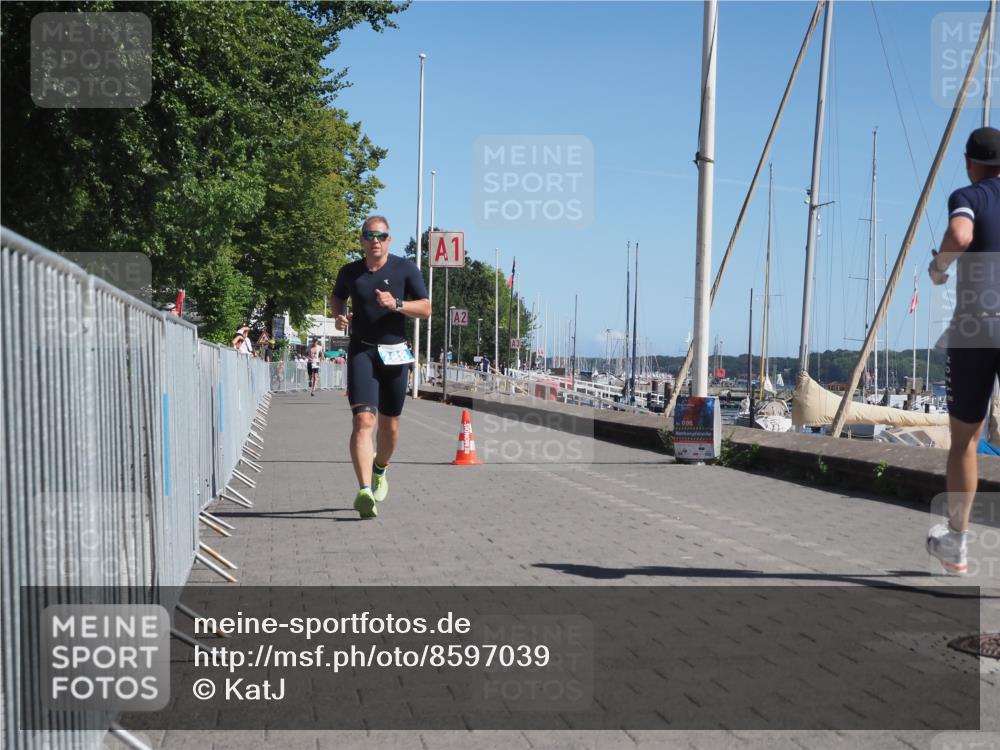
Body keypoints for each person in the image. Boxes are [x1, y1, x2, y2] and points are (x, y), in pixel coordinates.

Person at [926, 126, 1000, 576]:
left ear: (972, 162)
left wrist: (938, 267)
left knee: (966, 441)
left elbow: (959, 235)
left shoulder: (969, 194)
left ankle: (956, 544)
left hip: (976, 329)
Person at [331, 216, 431, 519]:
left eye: (381, 236)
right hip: (363, 351)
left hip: (395, 354)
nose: (375, 240)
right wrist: (340, 315)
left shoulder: (406, 269)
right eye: (369, 235)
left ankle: (380, 469)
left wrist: (397, 304)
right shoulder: (350, 272)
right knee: (363, 422)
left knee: (391, 426)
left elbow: (426, 308)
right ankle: (364, 492)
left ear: (389, 240)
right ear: (361, 240)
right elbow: (337, 297)